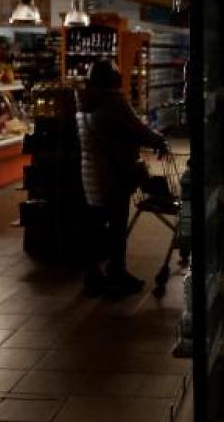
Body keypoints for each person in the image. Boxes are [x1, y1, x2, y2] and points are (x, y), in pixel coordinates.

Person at [76, 59, 170, 297]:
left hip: (91, 175)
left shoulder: (83, 103)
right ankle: (116, 274)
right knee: (116, 228)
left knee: (97, 226)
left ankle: (93, 276)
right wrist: (158, 140)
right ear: (112, 80)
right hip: (113, 174)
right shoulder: (113, 102)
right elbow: (136, 129)